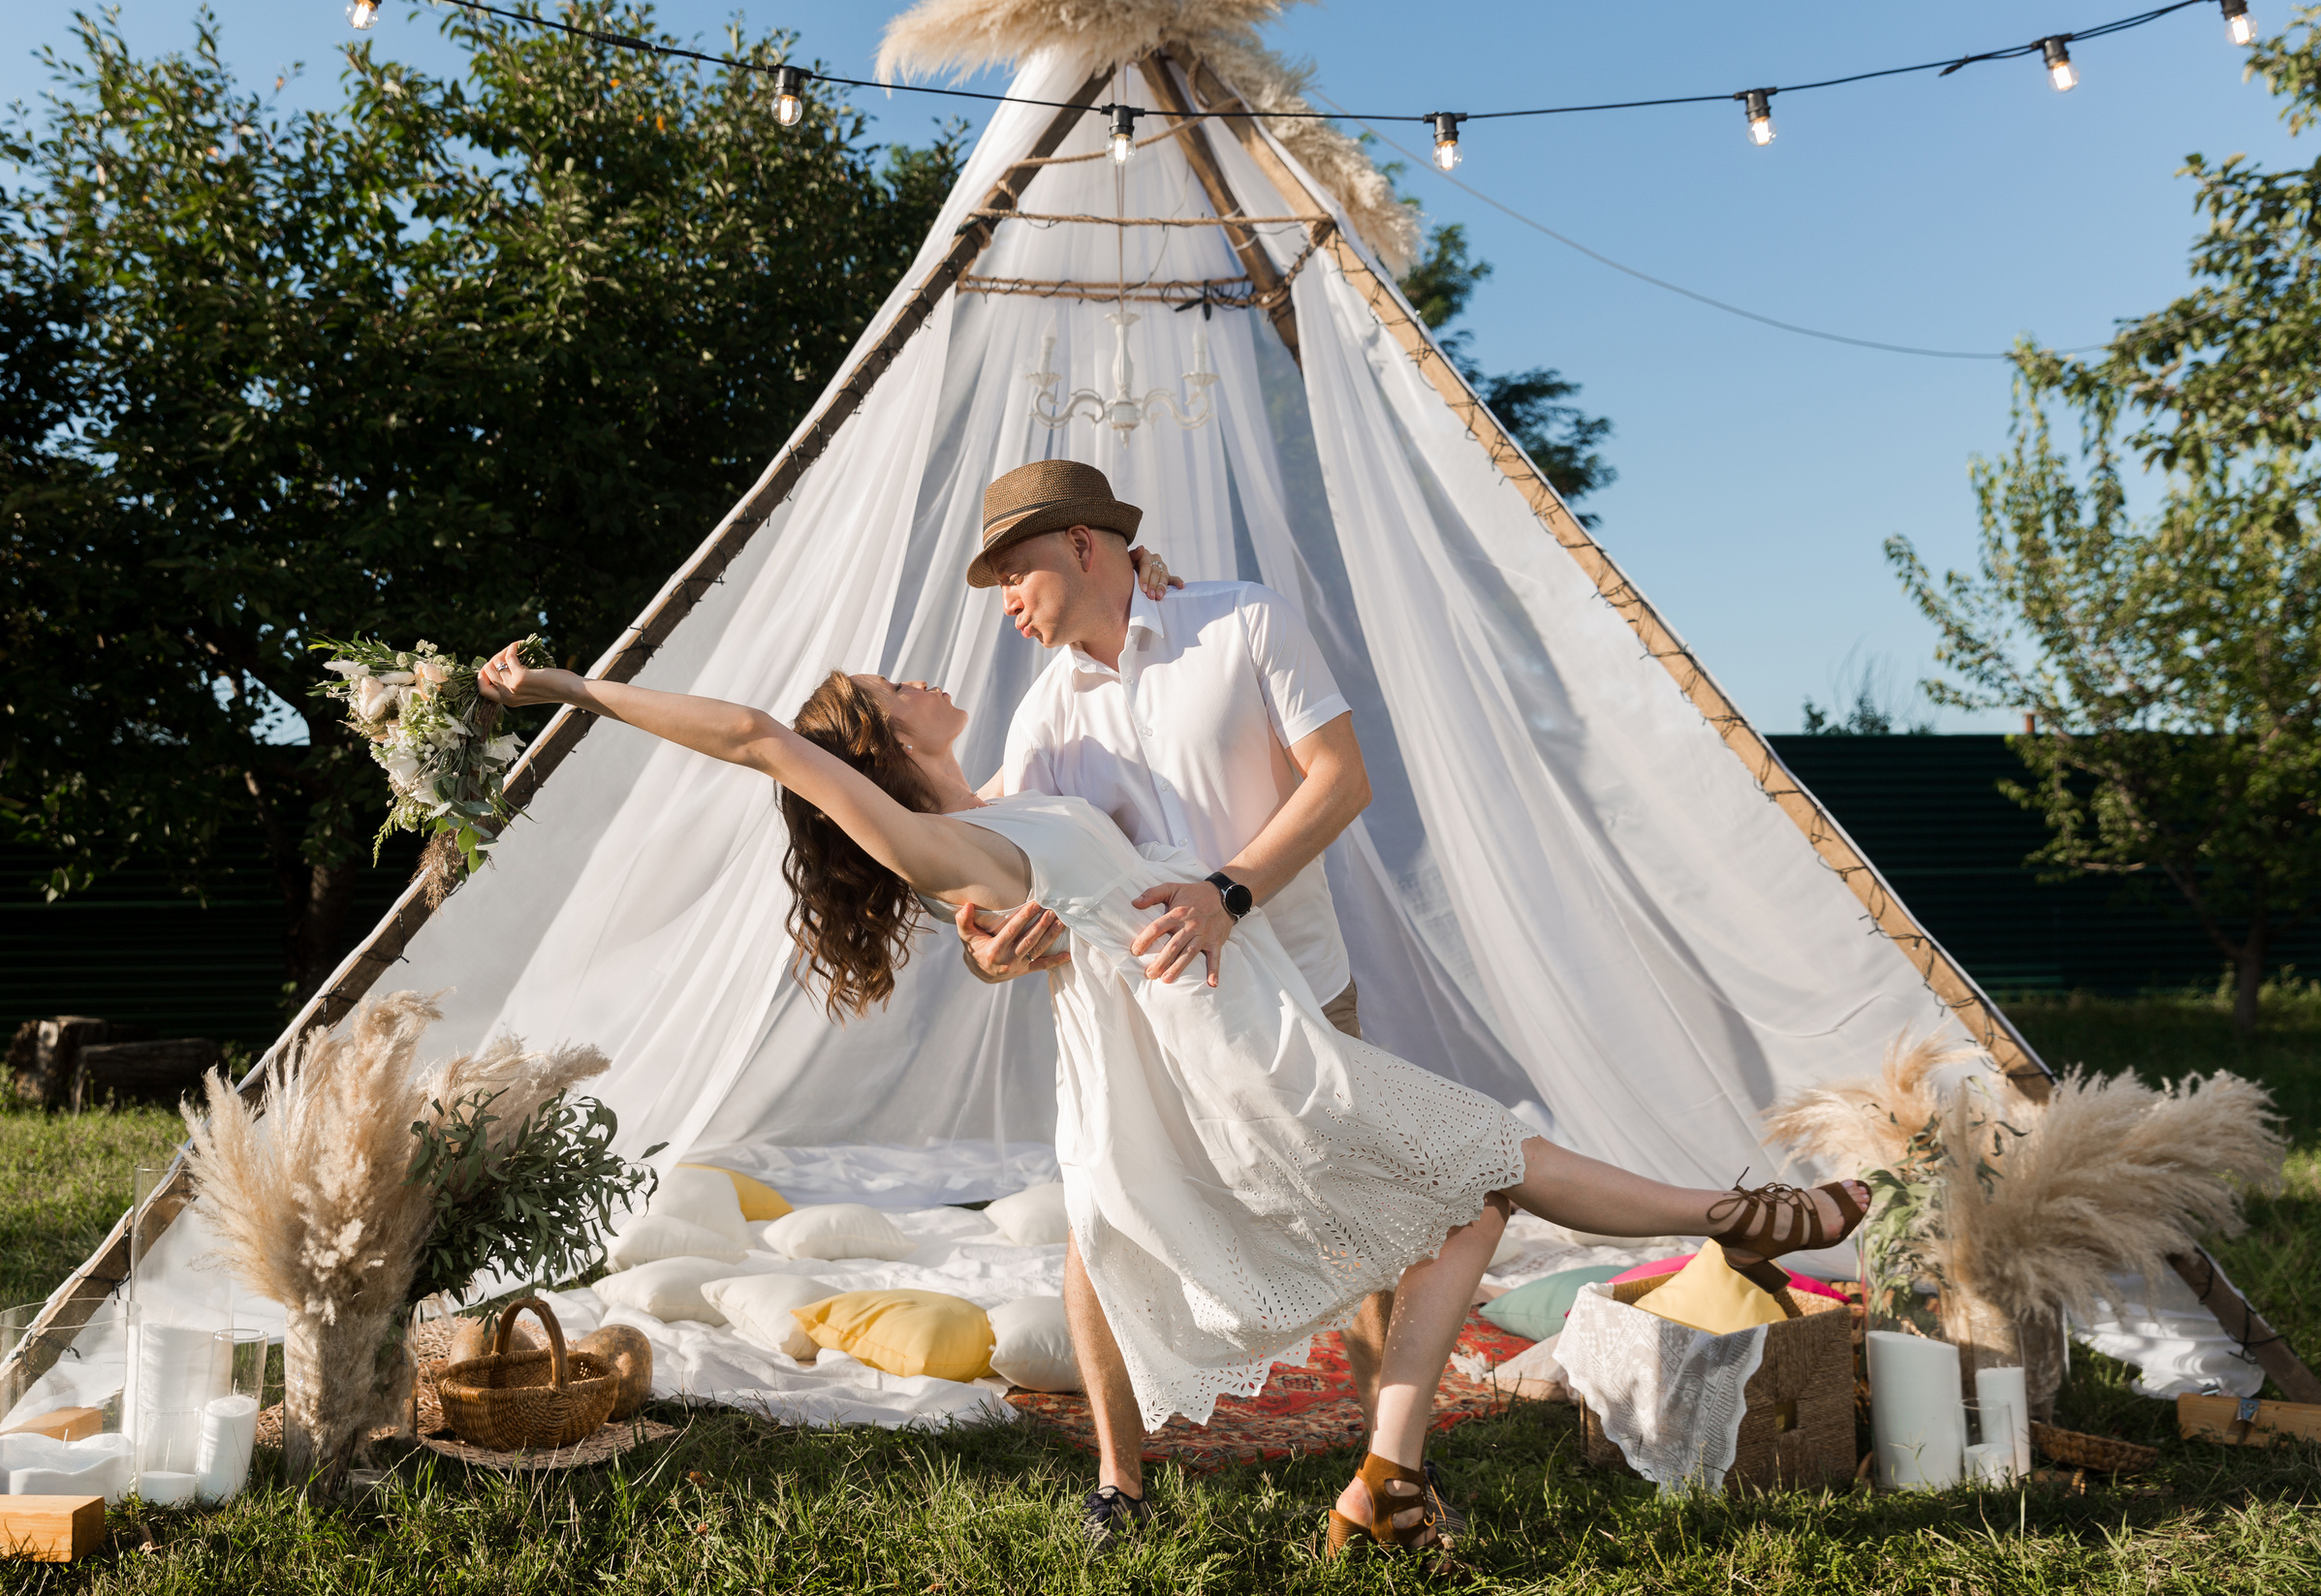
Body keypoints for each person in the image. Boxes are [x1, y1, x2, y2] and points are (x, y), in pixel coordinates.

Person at [474, 644, 1870, 1559]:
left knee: (1476, 1190)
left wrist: (999, 930)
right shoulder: (939, 831)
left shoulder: (1006, 798)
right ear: (882, 747)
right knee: (1488, 1161)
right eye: (892, 685)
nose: (918, 674)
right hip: (1232, 1059)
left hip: (1224, 1037)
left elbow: (1021, 913)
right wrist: (573, 690)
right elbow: (757, 734)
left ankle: (1392, 1476)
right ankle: (1741, 1214)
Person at [951, 457, 1461, 1548]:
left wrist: (1231, 892)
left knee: (1374, 1226)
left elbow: (1341, 779)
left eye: (1014, 573)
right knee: (1098, 1234)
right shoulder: (1043, 715)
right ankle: (1118, 1487)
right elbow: (989, 884)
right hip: (1151, 1034)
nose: (1005, 602)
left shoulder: (1240, 623)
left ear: (1083, 547)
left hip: (1300, 996)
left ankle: (1388, 1475)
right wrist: (990, 956)